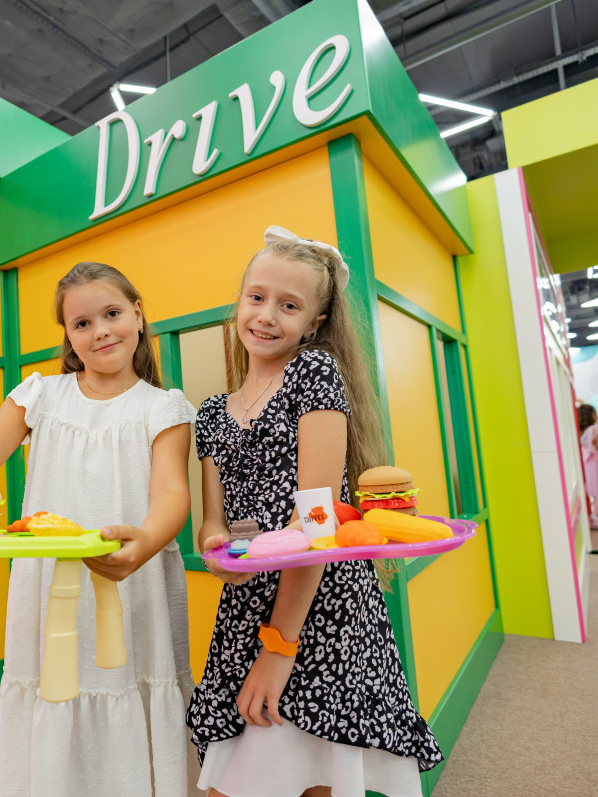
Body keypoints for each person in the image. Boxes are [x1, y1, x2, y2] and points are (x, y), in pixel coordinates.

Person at [0, 262, 196, 797]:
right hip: (49, 589)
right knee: (55, 686)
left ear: (138, 314)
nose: (101, 331)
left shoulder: (163, 407)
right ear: (69, 335)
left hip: (131, 583)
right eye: (82, 323)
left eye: (112, 314)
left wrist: (144, 543)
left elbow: (171, 493)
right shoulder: (41, 395)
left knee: (124, 684)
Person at [187, 227, 441, 797]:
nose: (266, 315)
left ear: (314, 323)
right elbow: (213, 522)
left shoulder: (313, 374)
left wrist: (280, 648)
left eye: (289, 305)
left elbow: (318, 523)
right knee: (255, 769)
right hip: (247, 608)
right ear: (239, 300)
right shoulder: (212, 412)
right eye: (256, 297)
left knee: (311, 771)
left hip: (318, 605)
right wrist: (216, 551)